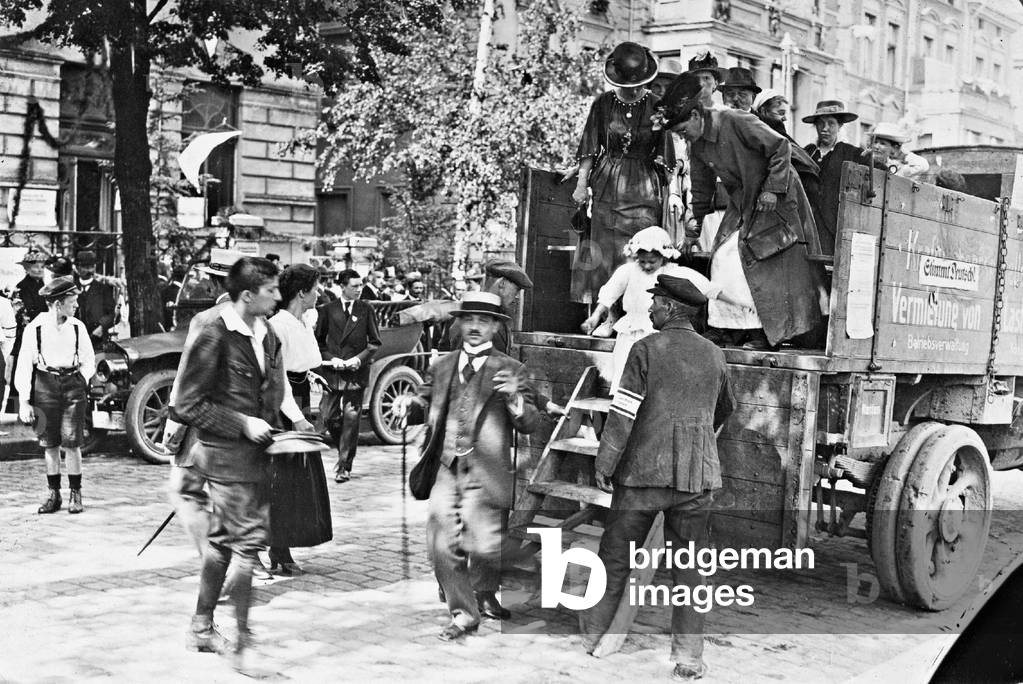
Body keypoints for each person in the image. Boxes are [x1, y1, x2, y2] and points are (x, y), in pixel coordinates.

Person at [582, 275, 734, 681]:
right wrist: (697, 438)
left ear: (671, 308)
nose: (649, 309)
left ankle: (594, 635)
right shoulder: (715, 354)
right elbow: (725, 409)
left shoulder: (644, 349)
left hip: (642, 477)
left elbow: (623, 415)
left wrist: (605, 462)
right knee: (690, 568)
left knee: (615, 557)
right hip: (696, 479)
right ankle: (688, 657)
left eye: (655, 303)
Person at [395, 291, 540, 641]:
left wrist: (514, 398)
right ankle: (464, 613)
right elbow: (425, 401)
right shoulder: (441, 365)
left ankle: (498, 582)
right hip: (446, 464)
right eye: (469, 320)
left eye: (484, 321)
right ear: (459, 323)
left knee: (484, 545)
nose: (475, 327)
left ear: (494, 327)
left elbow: (530, 422)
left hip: (487, 470)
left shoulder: (511, 368)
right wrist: (407, 405)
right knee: (440, 542)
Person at [174, 256, 285, 670]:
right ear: (246, 295)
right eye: (271, 290)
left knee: (221, 544)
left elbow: (271, 389)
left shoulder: (267, 331)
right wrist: (241, 423)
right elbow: (184, 404)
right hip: (222, 458)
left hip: (255, 457)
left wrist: (286, 428)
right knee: (248, 545)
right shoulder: (214, 333)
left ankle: (201, 627)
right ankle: (242, 648)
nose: (278, 296)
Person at [663, 71, 825, 350]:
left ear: (696, 116)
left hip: (778, 196)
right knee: (722, 257)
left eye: (683, 131)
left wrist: (772, 190)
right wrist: (695, 225)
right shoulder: (696, 143)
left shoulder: (737, 120)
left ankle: (764, 332)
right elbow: (701, 188)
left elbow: (780, 147)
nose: (683, 137)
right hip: (744, 201)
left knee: (759, 257)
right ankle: (727, 329)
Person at [564, 41, 675, 304]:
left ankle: (637, 309)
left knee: (641, 246)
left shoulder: (658, 106)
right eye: (627, 85)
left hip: (643, 185)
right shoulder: (602, 103)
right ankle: (607, 312)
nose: (633, 89)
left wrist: (668, 190)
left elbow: (666, 156)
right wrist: (581, 185)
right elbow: (589, 147)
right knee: (606, 249)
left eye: (639, 83)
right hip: (607, 182)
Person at [580, 226, 723, 393]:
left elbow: (709, 289)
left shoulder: (675, 272)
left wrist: (743, 302)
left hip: (657, 333)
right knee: (627, 376)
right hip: (630, 333)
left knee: (654, 378)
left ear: (663, 257)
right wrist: (595, 316)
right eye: (642, 261)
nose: (647, 266)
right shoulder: (628, 271)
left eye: (652, 261)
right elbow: (609, 294)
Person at [266, 264, 333, 574]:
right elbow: (277, 378)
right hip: (284, 405)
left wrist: (312, 377)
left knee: (298, 481)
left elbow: (302, 362)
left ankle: (284, 546)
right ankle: (277, 549)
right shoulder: (278, 325)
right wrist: (296, 417)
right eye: (316, 288)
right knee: (283, 479)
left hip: (301, 392)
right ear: (302, 293)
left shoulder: (303, 320)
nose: (319, 294)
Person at [14, 276, 96, 515]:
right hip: (44, 387)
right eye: (72, 301)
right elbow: (24, 365)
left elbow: (88, 359)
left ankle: (75, 493)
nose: (76, 305)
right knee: (49, 443)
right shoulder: (35, 329)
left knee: (72, 442)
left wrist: (81, 379)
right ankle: (54, 494)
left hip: (73, 387)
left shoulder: (77, 327)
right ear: (58, 303)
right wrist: (25, 401)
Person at [314, 268, 381, 483]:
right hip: (333, 373)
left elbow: (374, 343)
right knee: (329, 417)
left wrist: (358, 359)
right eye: (354, 286)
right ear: (342, 286)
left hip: (355, 373)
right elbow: (319, 342)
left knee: (351, 419)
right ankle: (344, 445)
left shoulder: (366, 309)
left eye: (360, 285)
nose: (359, 290)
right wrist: (331, 358)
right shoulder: (327, 310)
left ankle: (344, 465)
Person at [802, 100, 869, 256]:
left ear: (840, 126)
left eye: (831, 123)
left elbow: (880, 171)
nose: (825, 129)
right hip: (806, 224)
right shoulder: (806, 153)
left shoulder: (851, 153)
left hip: (834, 226)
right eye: (821, 123)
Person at [8, 250, 48, 408]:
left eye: (42, 266)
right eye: (35, 266)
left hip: (44, 334)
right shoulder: (21, 288)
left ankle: (37, 405)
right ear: (26, 269)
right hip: (26, 334)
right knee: (23, 370)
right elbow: (22, 313)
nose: (39, 269)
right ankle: (18, 407)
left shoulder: (45, 287)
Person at [74, 250, 116, 352]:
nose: (89, 270)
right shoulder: (71, 288)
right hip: (75, 338)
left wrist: (102, 327)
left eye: (91, 267)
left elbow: (113, 313)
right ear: (78, 268)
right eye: (85, 267)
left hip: (98, 340)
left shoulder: (103, 289)